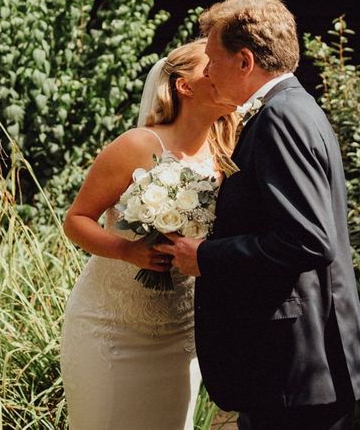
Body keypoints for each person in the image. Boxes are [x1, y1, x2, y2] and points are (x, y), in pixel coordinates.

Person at [156, 0, 360, 430]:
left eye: (214, 60)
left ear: (245, 61)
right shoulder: (294, 108)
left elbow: (308, 239)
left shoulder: (280, 118)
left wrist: (204, 256)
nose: (209, 71)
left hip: (295, 368)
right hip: (299, 369)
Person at [60, 39, 239, 430]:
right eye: (212, 66)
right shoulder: (138, 144)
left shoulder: (226, 152)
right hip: (111, 327)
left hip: (181, 330)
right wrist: (128, 251)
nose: (224, 73)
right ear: (184, 86)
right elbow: (76, 220)